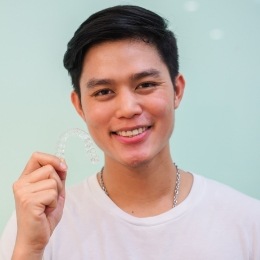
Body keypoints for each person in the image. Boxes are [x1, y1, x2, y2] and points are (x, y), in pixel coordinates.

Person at [0, 5, 260, 260]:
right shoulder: (39, 224)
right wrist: (30, 250)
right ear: (79, 105)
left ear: (177, 90)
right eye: (104, 92)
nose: (127, 109)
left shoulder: (248, 222)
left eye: (145, 85)